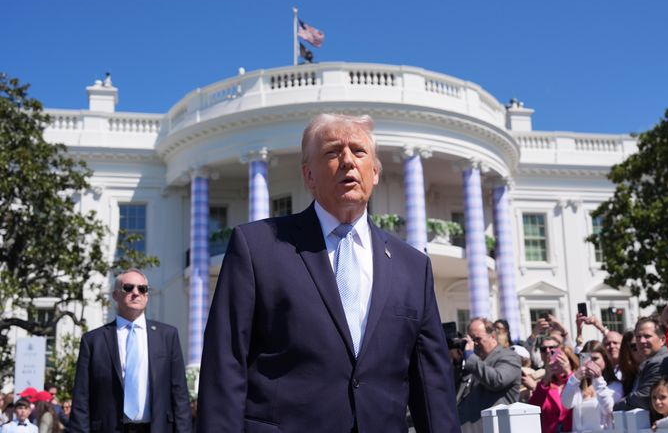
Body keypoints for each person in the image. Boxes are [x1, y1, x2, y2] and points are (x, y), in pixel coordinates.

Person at [197, 114, 460, 432]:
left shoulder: (413, 267)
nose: (348, 161)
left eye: (359, 151)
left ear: (375, 172)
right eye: (333, 152)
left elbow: (432, 386)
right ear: (309, 175)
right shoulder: (256, 247)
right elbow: (225, 362)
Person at [70, 268, 191, 433]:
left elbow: (180, 393)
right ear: (115, 295)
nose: (136, 293)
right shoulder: (93, 341)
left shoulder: (167, 336)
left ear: (147, 296)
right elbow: (81, 397)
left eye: (142, 289)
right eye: (128, 288)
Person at [457, 318, 521, 433]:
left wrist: (470, 357)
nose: (474, 344)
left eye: (477, 339)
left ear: (493, 336)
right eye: (471, 340)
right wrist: (457, 360)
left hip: (493, 429)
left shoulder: (509, 356)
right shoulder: (473, 360)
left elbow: (497, 380)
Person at [561, 340, 623, 431]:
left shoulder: (615, 386)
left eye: (595, 359)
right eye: (586, 359)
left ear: (605, 360)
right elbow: (566, 403)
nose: (590, 363)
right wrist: (575, 379)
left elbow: (608, 409)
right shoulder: (580, 386)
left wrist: (598, 379)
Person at [614, 317, 668, 411]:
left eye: (647, 336)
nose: (641, 341)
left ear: (662, 340)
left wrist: (617, 406)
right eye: (638, 337)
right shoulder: (649, 362)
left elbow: (644, 398)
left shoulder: (659, 362)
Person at [528, 336, 579, 433]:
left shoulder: (577, 379)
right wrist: (546, 380)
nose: (548, 351)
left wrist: (568, 372)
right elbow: (532, 408)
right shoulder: (543, 386)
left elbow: (580, 395)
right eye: (543, 349)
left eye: (552, 348)